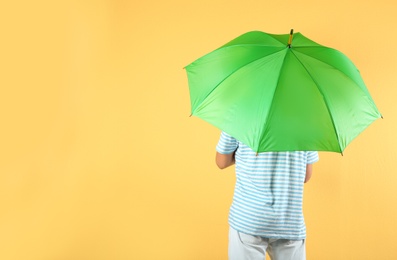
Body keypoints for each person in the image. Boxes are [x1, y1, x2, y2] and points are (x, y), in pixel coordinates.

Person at [216, 131, 319, 260]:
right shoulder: (306, 124)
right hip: (289, 221)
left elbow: (221, 162)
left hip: (249, 220)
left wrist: (246, 156)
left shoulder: (238, 115)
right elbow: (306, 175)